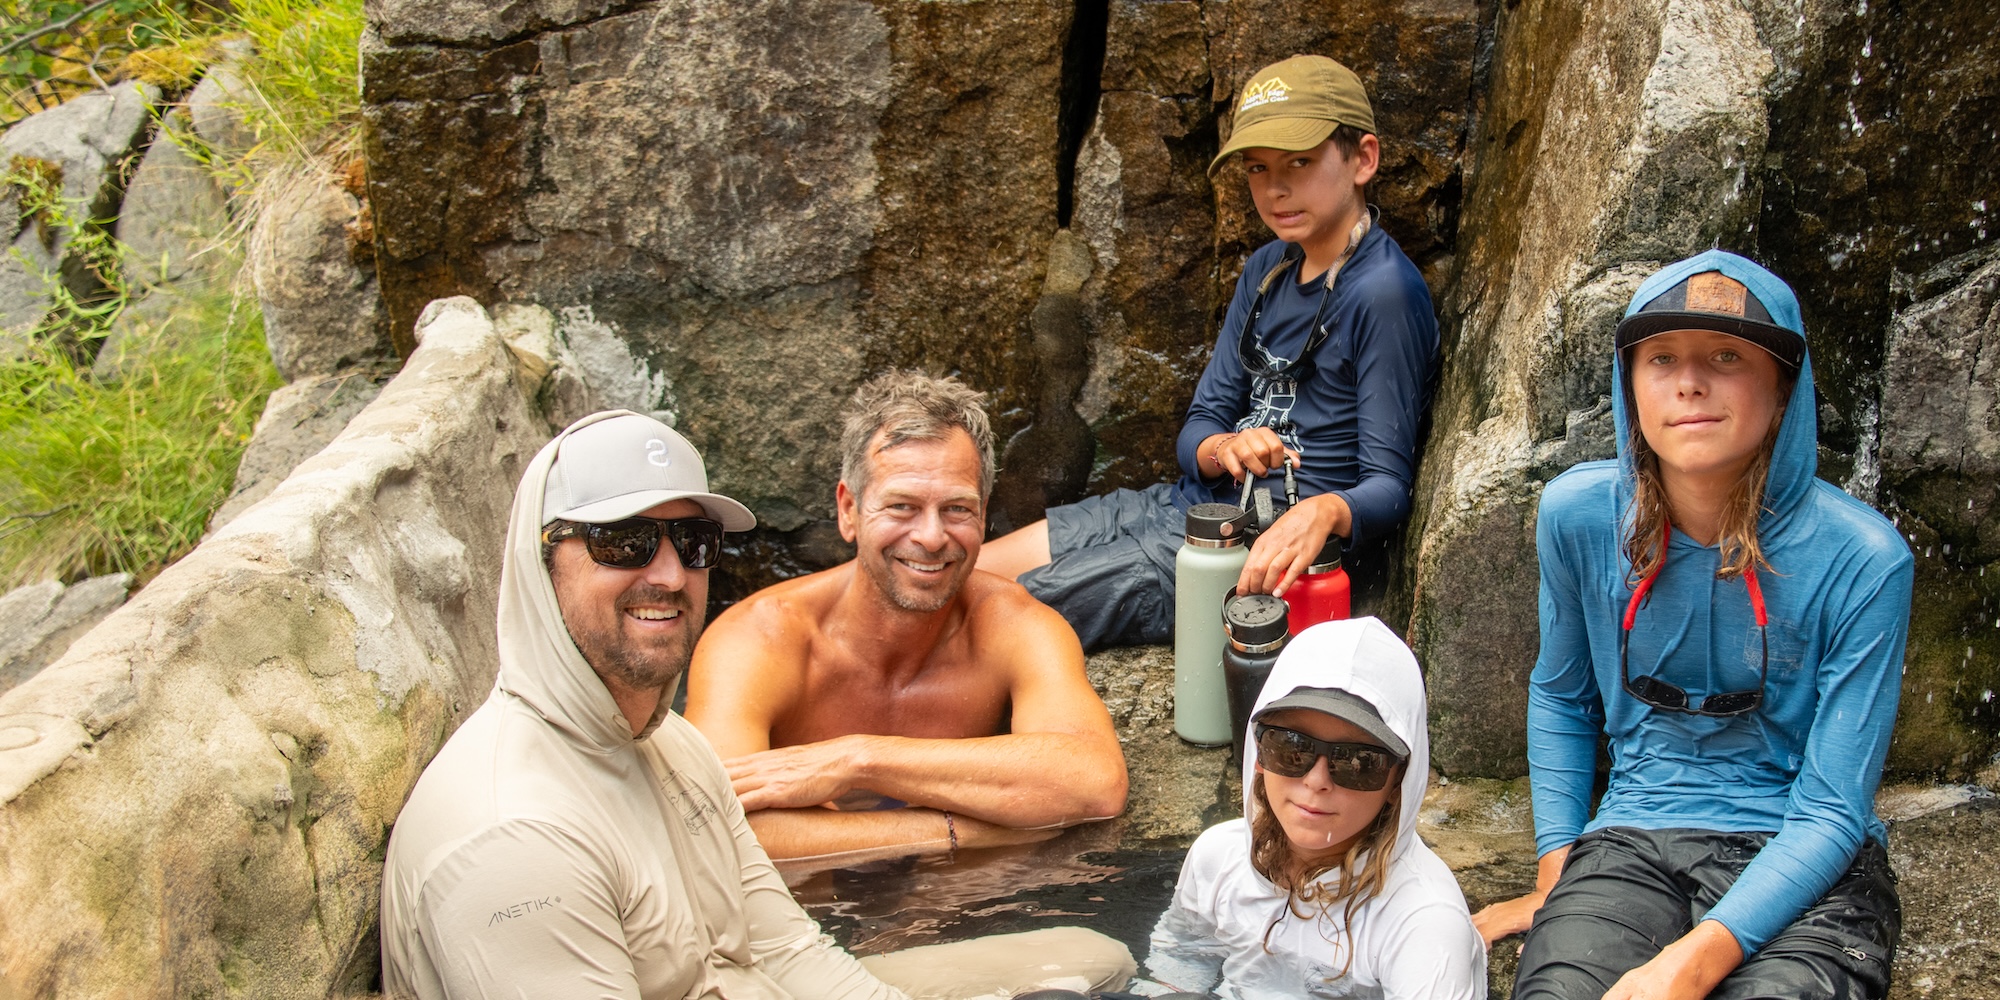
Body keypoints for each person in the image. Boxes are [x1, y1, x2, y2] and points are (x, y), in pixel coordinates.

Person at [380, 410, 1135, 999]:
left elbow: (788, 949)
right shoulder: (513, 841)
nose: (668, 575)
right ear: (541, 562)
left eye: (692, 543)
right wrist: (961, 827)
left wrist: (860, 766)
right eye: (624, 544)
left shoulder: (668, 746)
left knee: (1091, 964)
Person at [1472, 251, 1913, 999]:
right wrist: (1556, 875)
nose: (1689, 382)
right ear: (1630, 384)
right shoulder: (1578, 516)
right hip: (1632, 837)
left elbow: (1833, 808)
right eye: (1662, 358)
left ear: (1784, 388)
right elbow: (1561, 696)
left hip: (1807, 855)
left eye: (1727, 356)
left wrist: (1695, 961)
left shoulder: (1865, 560)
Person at [977, 54, 1439, 649]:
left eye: (1299, 161)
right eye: (1257, 168)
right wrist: (1225, 448)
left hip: (1254, 549)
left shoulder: (1384, 293)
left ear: (1363, 159)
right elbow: (1197, 429)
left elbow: (1389, 487)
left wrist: (1325, 511)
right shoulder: (1266, 270)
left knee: (998, 612)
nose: (1275, 188)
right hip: (1185, 506)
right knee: (968, 568)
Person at [686, 371, 1128, 864]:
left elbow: (1095, 784)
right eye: (902, 506)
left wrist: (856, 760)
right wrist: (962, 832)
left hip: (963, 898)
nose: (932, 537)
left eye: (956, 509)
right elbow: (711, 827)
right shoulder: (759, 639)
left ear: (983, 513)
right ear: (849, 510)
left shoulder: (1013, 625)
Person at [1137, 617, 1486, 998]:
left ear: (1399, 780)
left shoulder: (1423, 922)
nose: (1317, 780)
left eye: (1358, 762)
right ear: (1258, 752)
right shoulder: (1217, 857)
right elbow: (1180, 961)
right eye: (1291, 747)